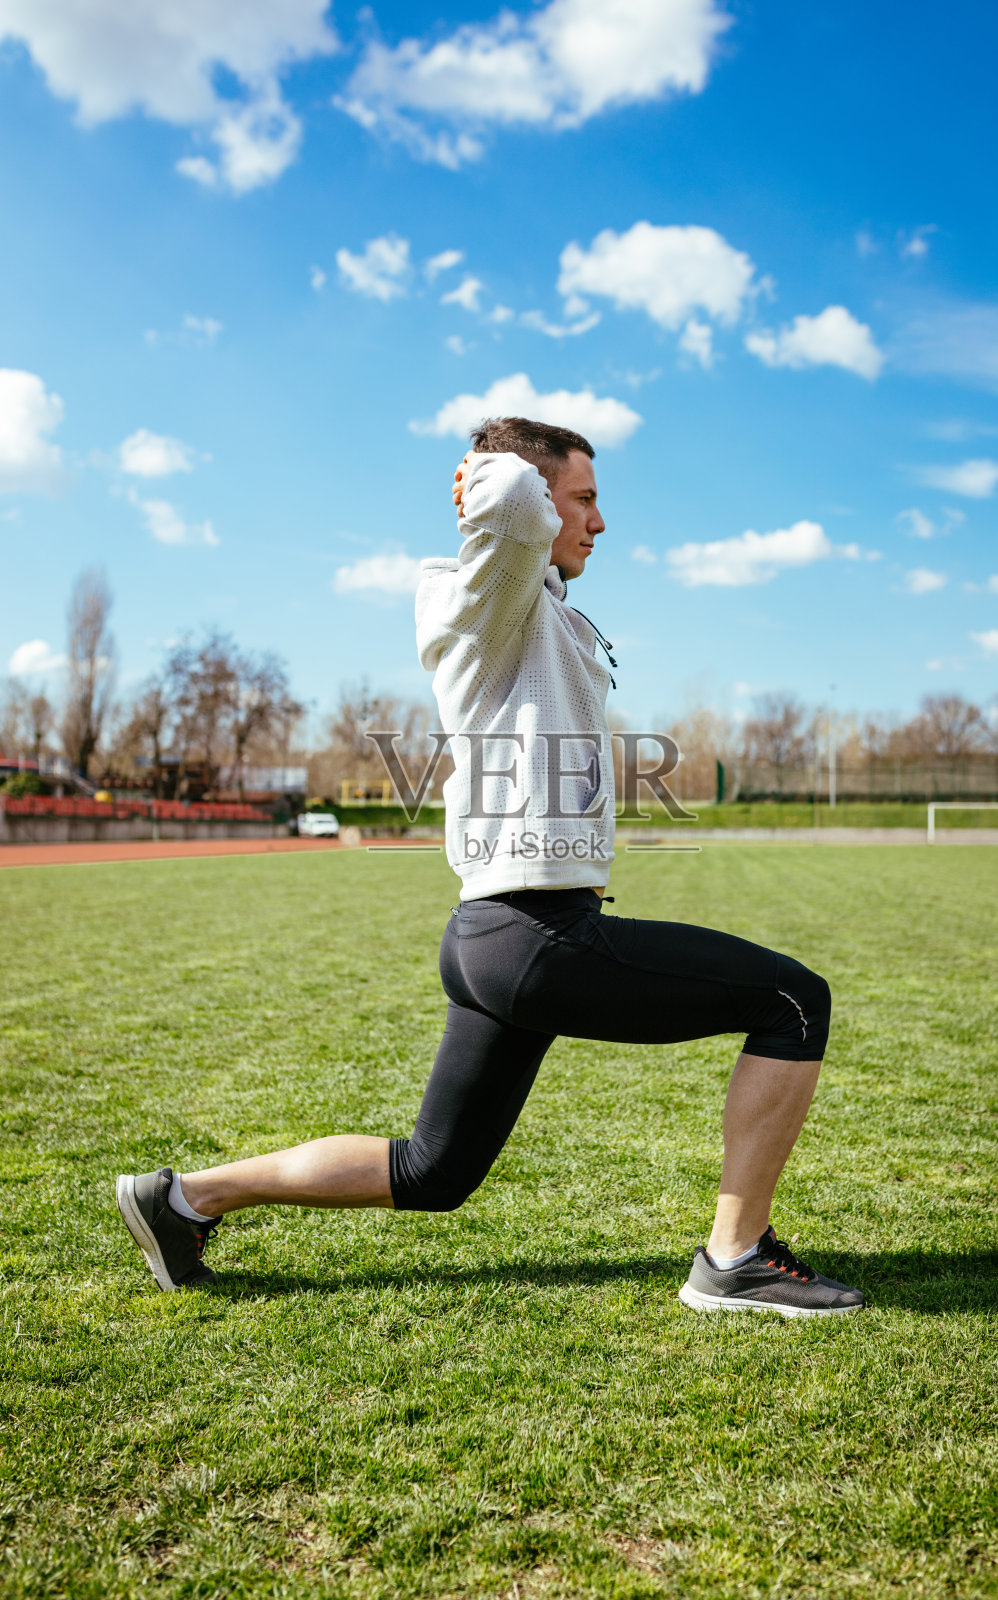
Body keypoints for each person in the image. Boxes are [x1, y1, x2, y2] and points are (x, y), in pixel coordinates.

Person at [116, 416, 865, 1319]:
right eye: (584, 499)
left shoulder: (529, 603)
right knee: (791, 1000)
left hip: (493, 936)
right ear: (533, 497)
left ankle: (183, 1199)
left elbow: (520, 516)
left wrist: (519, 494)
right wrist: (494, 469)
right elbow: (510, 504)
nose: (599, 522)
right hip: (533, 932)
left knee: (432, 1170)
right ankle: (733, 1257)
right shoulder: (487, 593)